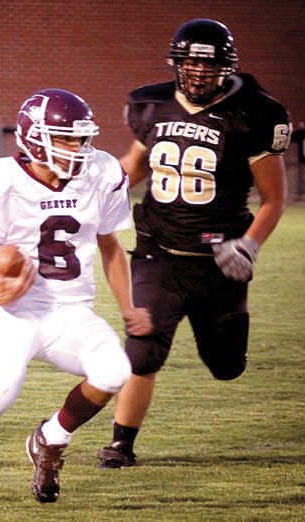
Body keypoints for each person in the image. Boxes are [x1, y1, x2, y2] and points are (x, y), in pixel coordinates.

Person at [0, 88, 152, 513]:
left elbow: (112, 247)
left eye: (81, 138)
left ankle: (51, 439)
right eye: (65, 139)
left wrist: (128, 307)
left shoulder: (102, 172)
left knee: (116, 370)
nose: (77, 148)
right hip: (18, 312)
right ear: (33, 138)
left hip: (73, 310)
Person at [97, 18, 291, 469]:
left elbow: (274, 198)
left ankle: (228, 336)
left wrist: (250, 245)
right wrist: (92, 194)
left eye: (209, 65)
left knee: (227, 366)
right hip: (157, 251)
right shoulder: (152, 103)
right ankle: (120, 444)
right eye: (190, 63)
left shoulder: (255, 113)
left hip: (220, 261)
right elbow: (137, 165)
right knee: (142, 349)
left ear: (227, 66)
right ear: (177, 63)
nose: (199, 72)